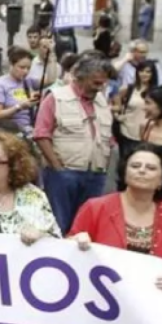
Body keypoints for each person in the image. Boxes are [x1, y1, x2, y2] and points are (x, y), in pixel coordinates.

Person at [70, 143, 162, 294]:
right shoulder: (95, 207)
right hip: (94, 304)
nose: (141, 170)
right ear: (124, 173)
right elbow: (68, 246)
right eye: (135, 166)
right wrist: (76, 241)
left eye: (151, 168)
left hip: (146, 307)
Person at [34, 54, 114, 235]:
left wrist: (104, 167)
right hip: (64, 173)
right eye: (95, 83)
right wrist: (57, 167)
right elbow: (41, 134)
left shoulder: (102, 100)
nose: (100, 87)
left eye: (103, 83)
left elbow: (108, 137)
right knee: (59, 225)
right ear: (80, 77)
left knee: (86, 230)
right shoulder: (55, 97)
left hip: (95, 174)